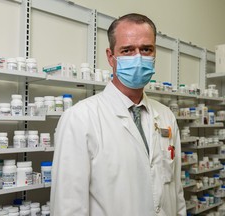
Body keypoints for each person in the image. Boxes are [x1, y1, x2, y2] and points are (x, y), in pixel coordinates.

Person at [50, 13, 186, 216]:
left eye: (146, 49)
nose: (138, 58)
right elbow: (68, 207)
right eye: (128, 50)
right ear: (110, 56)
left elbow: (176, 193)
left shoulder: (166, 116)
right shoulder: (80, 118)